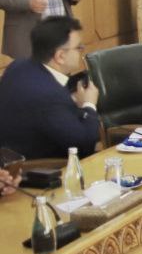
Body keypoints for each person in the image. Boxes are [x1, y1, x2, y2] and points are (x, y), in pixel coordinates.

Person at [0, 16, 100, 158]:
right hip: (43, 167)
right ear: (60, 56)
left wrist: (70, 101)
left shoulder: (18, 66)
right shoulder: (49, 96)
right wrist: (89, 104)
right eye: (79, 47)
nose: (81, 51)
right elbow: (84, 146)